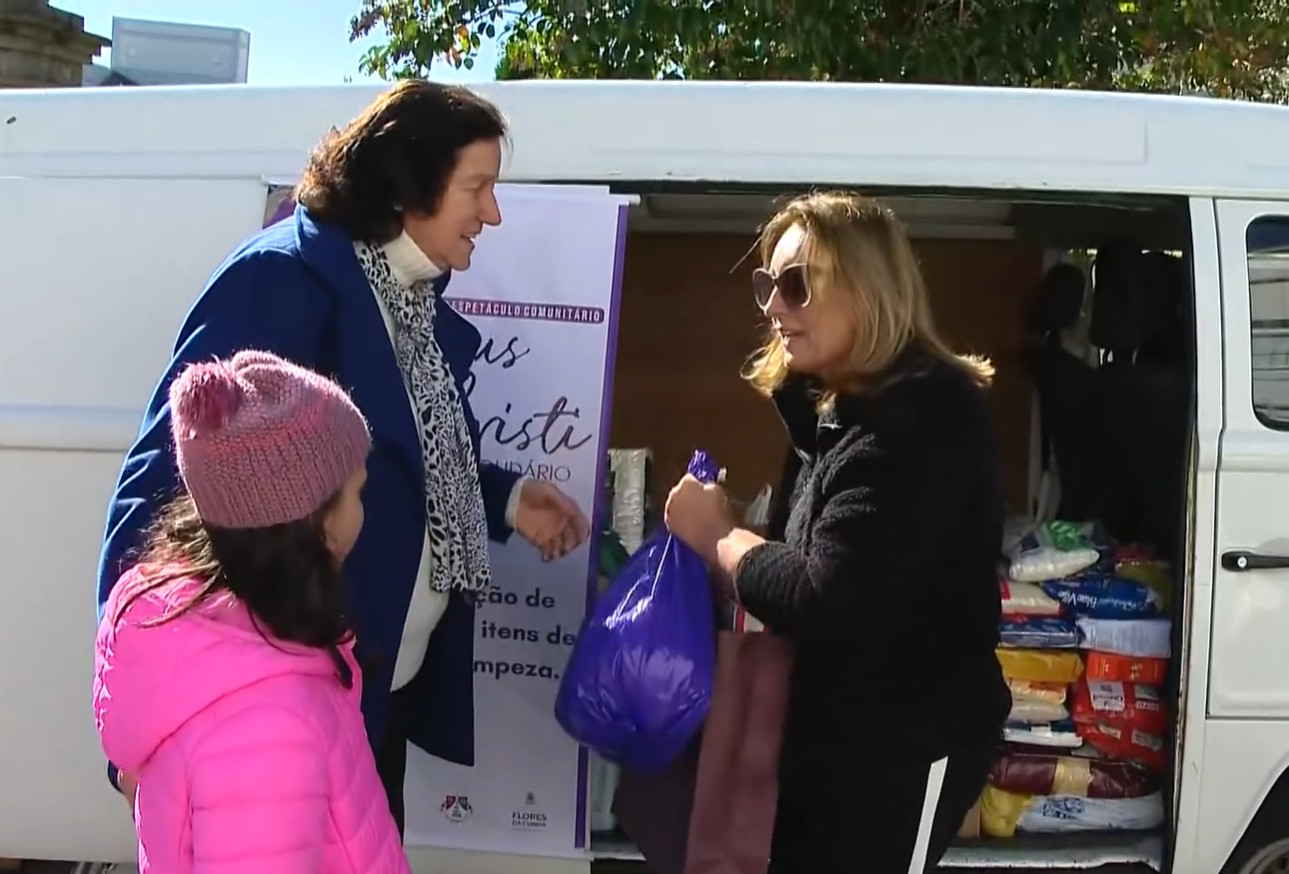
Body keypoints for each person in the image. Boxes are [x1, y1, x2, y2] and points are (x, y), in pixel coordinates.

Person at [95, 80, 590, 831]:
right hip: (287, 698)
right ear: (407, 184)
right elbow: (160, 486)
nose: (492, 213)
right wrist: (135, 718)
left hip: (369, 687)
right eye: (477, 188)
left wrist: (508, 499)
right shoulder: (281, 279)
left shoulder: (406, 296)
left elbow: (397, 454)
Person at [663, 191, 1011, 872]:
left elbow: (829, 596)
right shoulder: (847, 407)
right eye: (767, 284)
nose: (771, 305)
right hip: (840, 746)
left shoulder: (915, 417)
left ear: (866, 288)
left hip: (897, 754)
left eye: (795, 284)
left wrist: (719, 535)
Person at [93, 350, 409, 873]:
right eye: (358, 490)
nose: (364, 509)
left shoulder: (210, 637)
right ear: (316, 524)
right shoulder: (269, 730)